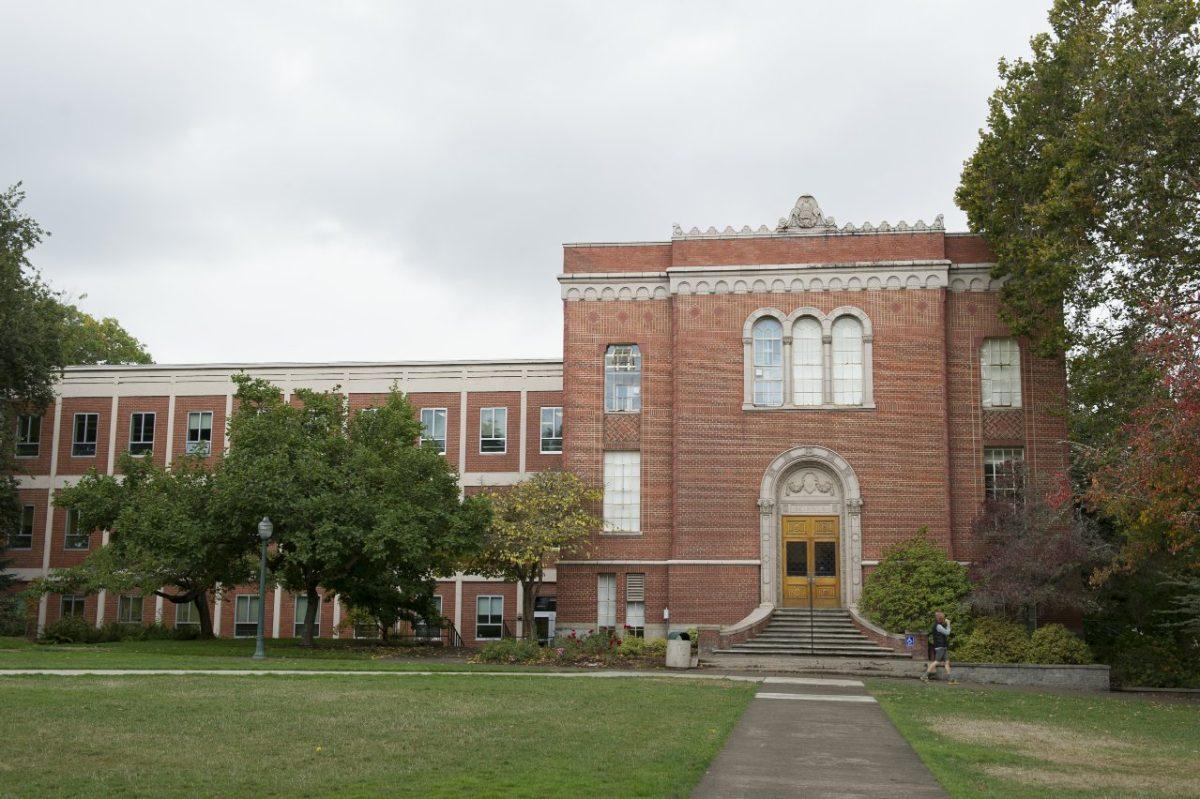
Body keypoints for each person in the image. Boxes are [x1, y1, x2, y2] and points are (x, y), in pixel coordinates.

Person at [921, 610, 956, 683]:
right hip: (940, 647)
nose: (944, 619)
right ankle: (924, 676)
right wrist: (948, 624)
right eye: (943, 618)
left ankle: (950, 679)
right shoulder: (938, 626)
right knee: (936, 662)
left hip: (943, 647)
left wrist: (946, 623)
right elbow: (947, 633)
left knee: (947, 662)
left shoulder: (939, 625)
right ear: (940, 618)